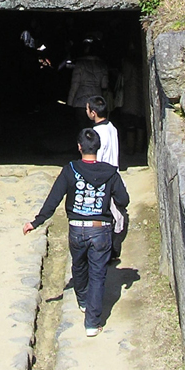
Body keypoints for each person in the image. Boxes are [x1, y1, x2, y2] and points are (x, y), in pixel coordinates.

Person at [23, 128, 129, 336]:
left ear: (79, 147)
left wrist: (36, 222)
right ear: (98, 148)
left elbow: (53, 199)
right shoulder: (110, 172)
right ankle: (92, 323)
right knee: (98, 275)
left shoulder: (70, 170)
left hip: (77, 228)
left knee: (79, 266)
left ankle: (82, 300)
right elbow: (123, 200)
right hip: (100, 230)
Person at [86, 95, 127, 261]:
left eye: (87, 109)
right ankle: (113, 250)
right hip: (114, 173)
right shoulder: (112, 127)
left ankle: (107, 252)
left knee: (104, 216)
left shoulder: (96, 133)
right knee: (114, 213)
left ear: (93, 113)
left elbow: (97, 157)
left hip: (102, 177)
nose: (86, 111)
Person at [67, 39, 109, 130]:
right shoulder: (102, 65)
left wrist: (69, 103)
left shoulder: (80, 64)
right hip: (96, 102)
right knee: (95, 129)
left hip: (80, 102)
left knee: (82, 129)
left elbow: (74, 85)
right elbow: (104, 85)